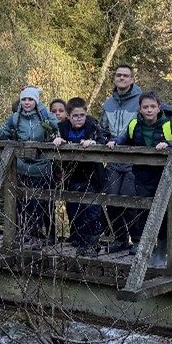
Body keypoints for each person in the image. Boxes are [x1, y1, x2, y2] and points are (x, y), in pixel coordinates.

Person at [121, 91, 172, 260]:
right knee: (143, 212)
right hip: (142, 176)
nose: (149, 110)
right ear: (140, 109)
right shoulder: (134, 124)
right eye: (145, 107)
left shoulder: (168, 125)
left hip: (165, 176)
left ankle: (162, 251)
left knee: (164, 213)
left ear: (159, 108)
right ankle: (147, 250)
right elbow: (123, 140)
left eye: (152, 106)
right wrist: (113, 142)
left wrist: (169, 144)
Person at [0, 87, 59, 247]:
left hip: (41, 166)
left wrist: (41, 108)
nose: (27, 102)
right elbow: (5, 135)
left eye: (31, 99)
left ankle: (36, 236)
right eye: (24, 99)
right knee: (21, 202)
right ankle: (22, 234)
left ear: (36, 101)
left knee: (38, 204)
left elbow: (57, 126)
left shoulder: (44, 116)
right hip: (20, 166)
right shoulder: (15, 118)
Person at [52, 97, 114, 256]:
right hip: (71, 174)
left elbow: (105, 138)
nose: (79, 118)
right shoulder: (61, 127)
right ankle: (79, 239)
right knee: (74, 209)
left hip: (91, 175)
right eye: (75, 116)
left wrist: (94, 143)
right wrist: (56, 139)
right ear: (68, 116)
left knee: (91, 210)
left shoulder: (93, 126)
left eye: (82, 115)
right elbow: (49, 137)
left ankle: (92, 243)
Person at [101, 64, 143, 252]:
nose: (122, 78)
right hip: (113, 158)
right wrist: (105, 141)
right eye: (118, 75)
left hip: (133, 159)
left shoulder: (141, 101)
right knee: (111, 200)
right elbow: (102, 128)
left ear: (132, 79)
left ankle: (138, 240)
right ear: (114, 78)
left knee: (129, 201)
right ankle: (120, 238)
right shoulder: (108, 104)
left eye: (126, 76)